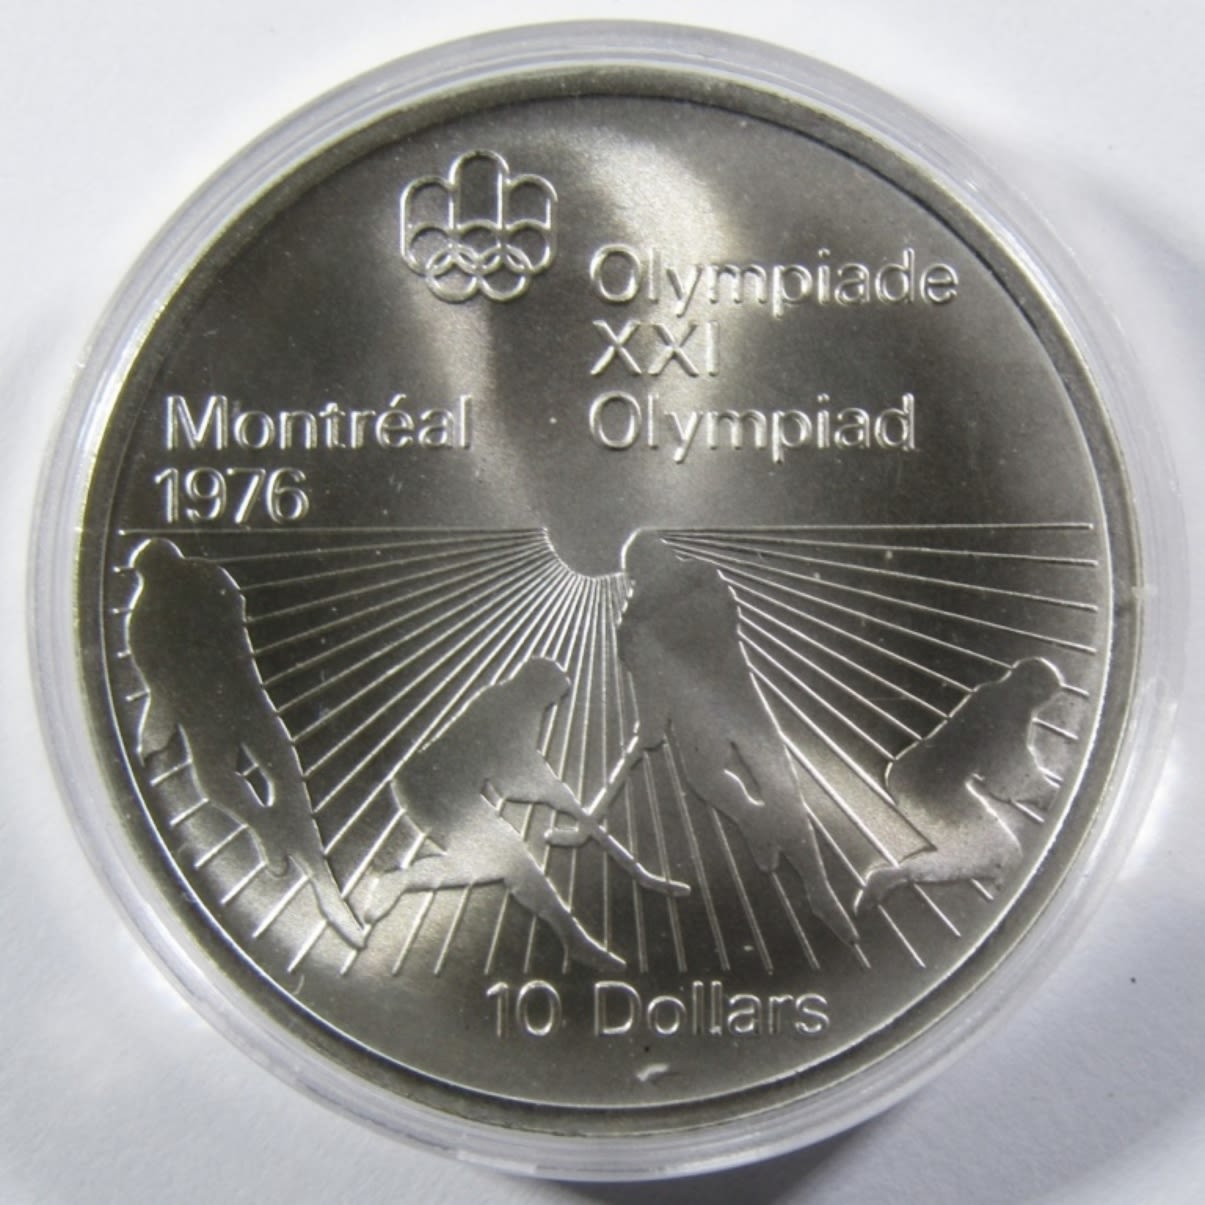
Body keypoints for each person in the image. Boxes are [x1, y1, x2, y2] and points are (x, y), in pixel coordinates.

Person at [126, 538, 367, 948]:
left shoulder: (151, 614)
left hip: (224, 708)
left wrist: (155, 735)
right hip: (236, 705)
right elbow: (167, 682)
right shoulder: (197, 584)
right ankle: (283, 840)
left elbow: (163, 689)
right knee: (239, 781)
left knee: (238, 781)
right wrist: (157, 730)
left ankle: (301, 857)